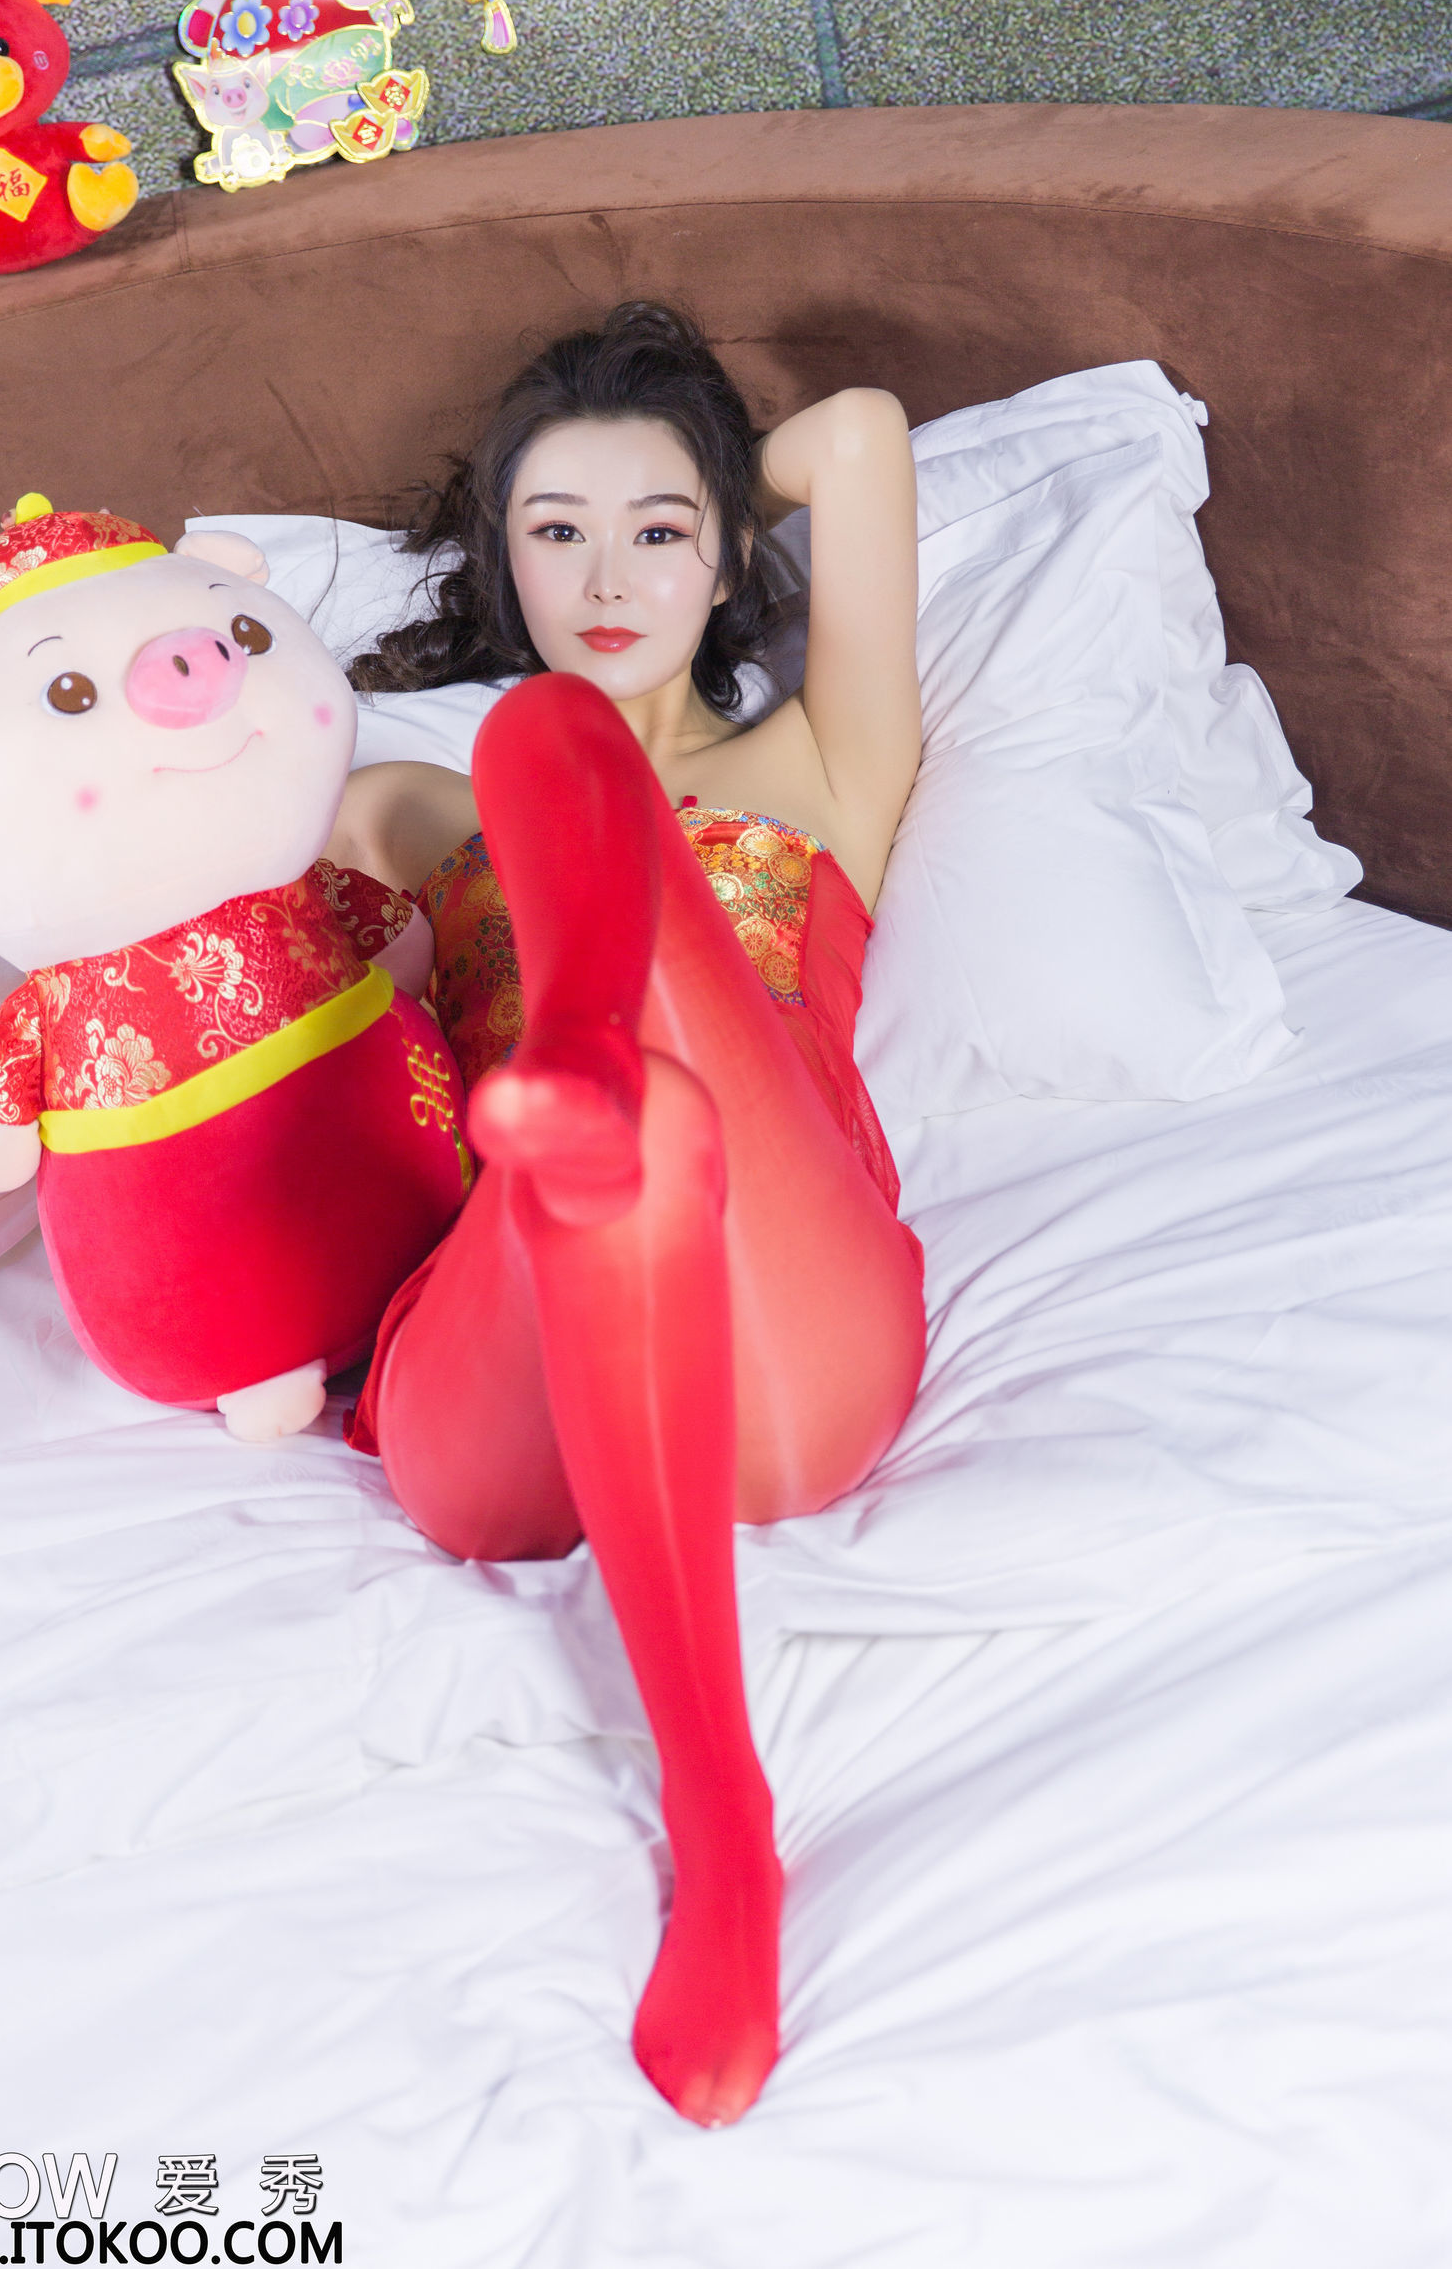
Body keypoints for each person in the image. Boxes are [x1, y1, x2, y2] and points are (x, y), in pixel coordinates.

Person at [326, 302, 926, 2128]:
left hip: (786, 1326)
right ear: (499, 558)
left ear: (731, 552)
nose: (604, 577)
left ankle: (722, 1831)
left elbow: (860, 432)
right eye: (553, 530)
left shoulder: (820, 766)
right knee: (547, 744)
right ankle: (588, 1092)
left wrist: (709, 480)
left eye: (658, 530)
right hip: (503, 1392)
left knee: (636, 1029)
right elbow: (299, 1073)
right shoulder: (398, 806)